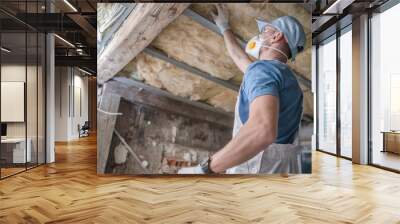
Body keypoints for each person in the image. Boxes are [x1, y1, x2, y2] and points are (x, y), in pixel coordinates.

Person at [178, 4, 306, 174]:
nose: (259, 35)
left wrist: (204, 169)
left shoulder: (263, 70)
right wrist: (224, 27)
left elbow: (262, 130)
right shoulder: (290, 83)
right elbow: (238, 57)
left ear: (276, 36)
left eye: (265, 31)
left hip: (256, 169)